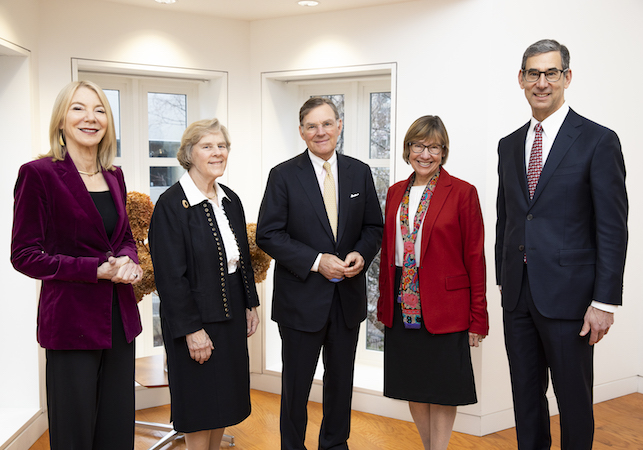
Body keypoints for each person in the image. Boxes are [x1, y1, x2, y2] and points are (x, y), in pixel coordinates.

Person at [495, 39, 628, 449]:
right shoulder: (509, 144)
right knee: (525, 400)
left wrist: (604, 302)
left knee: (573, 402)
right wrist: (504, 281)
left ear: (567, 78)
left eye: (551, 72)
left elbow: (612, 227)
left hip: (571, 300)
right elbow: (508, 218)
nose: (542, 82)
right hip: (518, 296)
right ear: (520, 79)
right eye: (533, 73)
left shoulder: (597, 140)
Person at [11, 80, 143, 449]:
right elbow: (24, 255)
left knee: (117, 430)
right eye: (79, 108)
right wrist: (95, 270)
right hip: (70, 323)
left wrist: (129, 263)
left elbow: (124, 240)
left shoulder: (114, 175)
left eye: (100, 109)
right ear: (61, 121)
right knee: (74, 434)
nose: (91, 117)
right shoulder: (38, 174)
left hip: (119, 320)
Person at [256, 97, 383, 450]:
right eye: (311, 126)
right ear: (301, 132)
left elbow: (374, 226)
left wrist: (360, 253)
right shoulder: (283, 175)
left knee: (341, 382)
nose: (320, 132)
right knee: (296, 386)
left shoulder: (359, 171)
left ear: (339, 125)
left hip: (347, 300)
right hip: (300, 302)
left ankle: (334, 444)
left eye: (327, 123)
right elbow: (267, 233)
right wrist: (316, 260)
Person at [377, 115, 488, 450]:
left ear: (444, 151)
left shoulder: (463, 192)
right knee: (414, 385)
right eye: (418, 145)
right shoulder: (396, 192)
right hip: (403, 304)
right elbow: (387, 253)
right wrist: (384, 308)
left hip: (445, 306)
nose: (425, 154)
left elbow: (475, 258)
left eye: (434, 147)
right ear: (407, 148)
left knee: (441, 390)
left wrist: (478, 317)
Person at [148, 118, 260, 450]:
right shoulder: (171, 205)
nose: (217, 153)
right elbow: (170, 278)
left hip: (230, 319)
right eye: (207, 146)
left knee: (222, 405)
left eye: (222, 146)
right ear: (188, 154)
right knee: (200, 411)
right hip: (196, 323)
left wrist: (250, 304)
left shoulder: (230, 200)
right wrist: (191, 330)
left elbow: (243, 258)